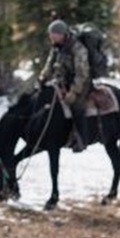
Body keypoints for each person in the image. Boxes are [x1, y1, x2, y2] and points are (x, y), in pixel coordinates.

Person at [39, 19, 92, 152]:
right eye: (50, 34)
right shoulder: (56, 47)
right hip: (62, 82)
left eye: (54, 34)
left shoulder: (77, 48)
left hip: (81, 83)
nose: (51, 36)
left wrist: (74, 92)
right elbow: (49, 65)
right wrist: (43, 77)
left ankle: (81, 139)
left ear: (62, 34)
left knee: (76, 106)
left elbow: (82, 73)